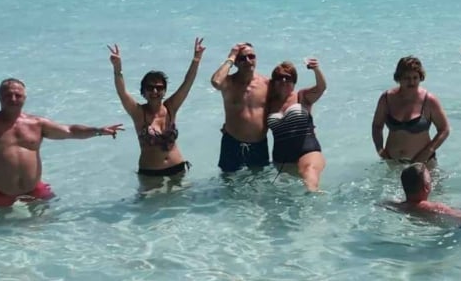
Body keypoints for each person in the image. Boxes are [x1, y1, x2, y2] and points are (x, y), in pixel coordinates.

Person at [0, 75, 122, 208]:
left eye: (18, 95)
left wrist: (98, 131)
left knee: (45, 232)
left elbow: (70, 131)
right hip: (0, 192)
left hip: (34, 191)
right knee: (0, 240)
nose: (13, 99)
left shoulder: (37, 124)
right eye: (8, 95)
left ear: (25, 98)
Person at [108, 38, 204, 186]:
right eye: (150, 87)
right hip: (151, 175)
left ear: (164, 91)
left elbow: (187, 83)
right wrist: (117, 68)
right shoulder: (138, 113)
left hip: (177, 170)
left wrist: (196, 59)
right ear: (143, 92)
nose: (155, 91)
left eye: (159, 88)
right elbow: (122, 92)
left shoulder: (171, 107)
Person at [372, 56, 451, 166]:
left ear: (420, 77)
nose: (412, 82)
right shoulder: (387, 98)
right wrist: (380, 149)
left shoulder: (429, 100)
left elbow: (444, 129)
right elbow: (377, 126)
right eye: (407, 78)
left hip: (423, 163)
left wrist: (428, 151)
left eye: (415, 78)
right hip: (393, 162)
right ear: (399, 78)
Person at [268, 57, 328, 192]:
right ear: (274, 82)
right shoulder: (269, 104)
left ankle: (316, 204)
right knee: (287, 197)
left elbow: (321, 87)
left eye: (288, 78)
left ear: (294, 81)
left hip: (308, 150)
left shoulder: (302, 96)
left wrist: (316, 69)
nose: (284, 80)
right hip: (281, 159)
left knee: (310, 177)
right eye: (279, 78)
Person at [209, 42, 270, 173]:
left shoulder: (266, 84)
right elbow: (216, 81)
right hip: (232, 142)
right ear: (235, 63)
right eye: (242, 58)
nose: (248, 61)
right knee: (228, 185)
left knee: (258, 185)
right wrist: (231, 57)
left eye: (251, 56)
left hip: (259, 144)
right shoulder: (229, 83)